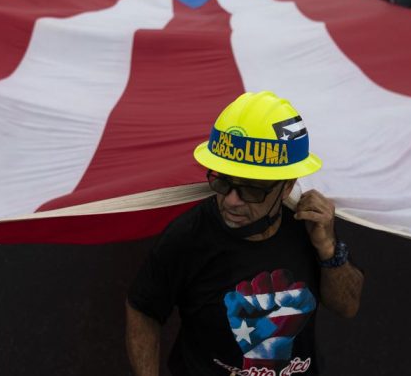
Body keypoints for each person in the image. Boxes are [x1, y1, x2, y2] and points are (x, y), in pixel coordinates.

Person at [126, 91, 364, 376]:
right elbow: (143, 309)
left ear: (287, 186)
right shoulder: (187, 237)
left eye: (251, 188)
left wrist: (328, 249)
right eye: (223, 182)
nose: (231, 200)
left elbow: (348, 307)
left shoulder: (310, 228)